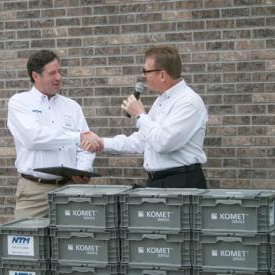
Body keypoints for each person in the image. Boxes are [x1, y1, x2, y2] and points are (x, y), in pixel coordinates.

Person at [82, 46, 207, 189]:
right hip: (157, 181)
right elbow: (142, 141)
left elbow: (164, 143)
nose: (143, 77)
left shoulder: (188, 102)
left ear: (162, 75)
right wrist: (102, 143)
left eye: (146, 71)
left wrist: (140, 115)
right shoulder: (162, 101)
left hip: (181, 182)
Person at [7, 49, 95, 218]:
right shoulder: (20, 102)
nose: (58, 77)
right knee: (29, 243)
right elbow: (33, 138)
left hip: (69, 189)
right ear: (35, 76)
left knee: (70, 243)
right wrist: (77, 137)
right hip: (34, 193)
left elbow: (86, 145)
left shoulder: (72, 106)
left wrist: (82, 170)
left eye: (59, 71)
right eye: (52, 73)